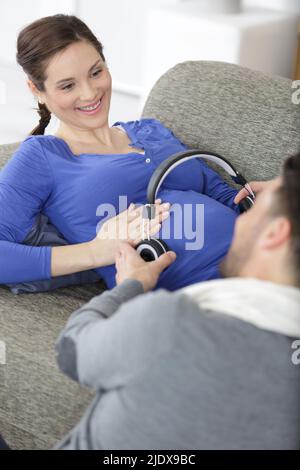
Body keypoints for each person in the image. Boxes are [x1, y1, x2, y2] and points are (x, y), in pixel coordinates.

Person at [0, 14, 263, 291]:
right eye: (68, 85)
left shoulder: (151, 130)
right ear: (36, 90)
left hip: (267, 263)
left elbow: (232, 199)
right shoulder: (42, 157)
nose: (90, 93)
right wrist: (95, 252)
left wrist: (279, 196)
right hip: (211, 295)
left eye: (96, 72)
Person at [54, 153, 300, 450]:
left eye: (256, 210)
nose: (243, 215)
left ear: (274, 234)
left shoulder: (174, 323)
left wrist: (132, 285)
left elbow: (71, 351)